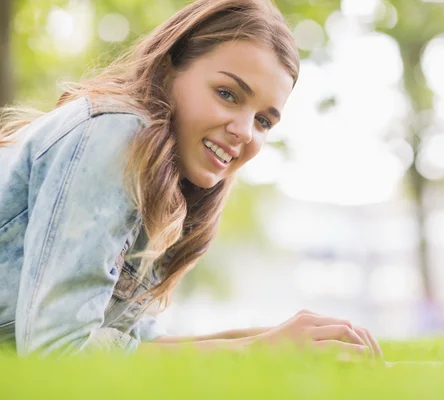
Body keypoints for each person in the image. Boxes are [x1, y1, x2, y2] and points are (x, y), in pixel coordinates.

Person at [0, 0, 382, 359]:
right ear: (169, 69)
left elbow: (135, 341)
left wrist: (275, 341)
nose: (245, 132)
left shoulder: (167, 181)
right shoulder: (115, 134)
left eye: (263, 120)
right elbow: (58, 350)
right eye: (227, 94)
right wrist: (258, 350)